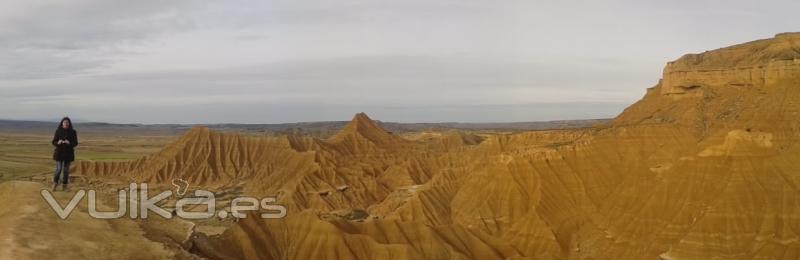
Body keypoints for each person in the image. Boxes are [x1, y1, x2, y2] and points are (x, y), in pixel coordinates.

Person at [52, 117, 78, 191]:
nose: (66, 124)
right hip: (59, 153)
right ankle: (55, 183)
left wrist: (69, 143)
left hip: (68, 154)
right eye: (64, 122)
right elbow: (53, 141)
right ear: (62, 123)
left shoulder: (73, 132)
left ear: (69, 123)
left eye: (67, 122)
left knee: (66, 171)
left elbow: (75, 143)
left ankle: (65, 186)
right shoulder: (58, 131)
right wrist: (58, 143)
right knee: (59, 169)